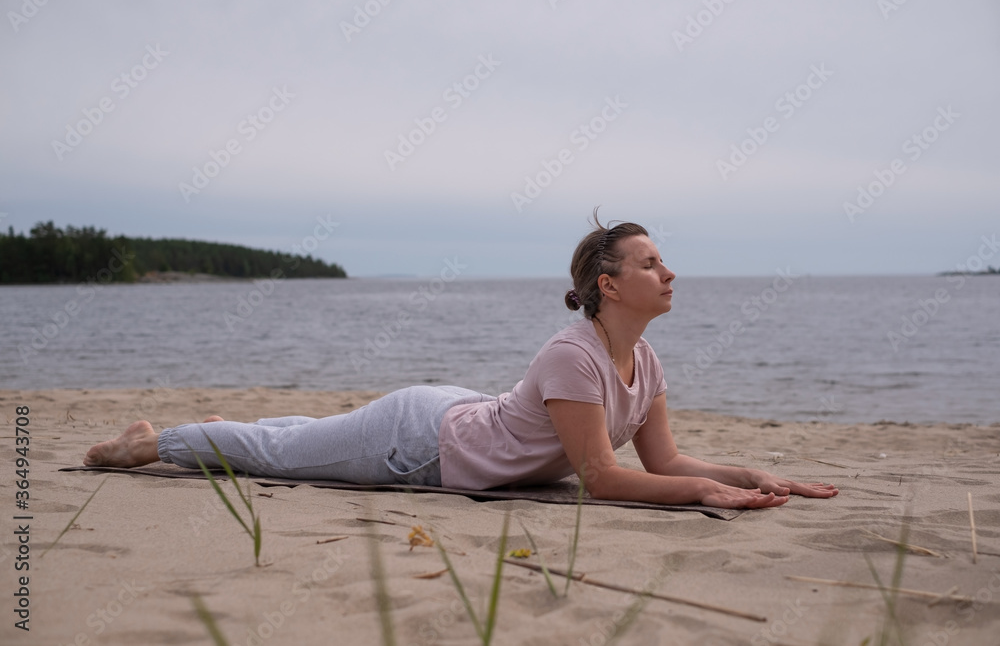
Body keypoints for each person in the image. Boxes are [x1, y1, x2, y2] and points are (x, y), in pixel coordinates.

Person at [85, 213, 838, 509]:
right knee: (285, 452)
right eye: (651, 263)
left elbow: (664, 457)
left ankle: (224, 428)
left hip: (460, 413)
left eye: (664, 260)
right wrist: (709, 494)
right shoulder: (575, 356)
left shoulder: (646, 359)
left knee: (305, 435)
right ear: (609, 285)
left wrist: (749, 473)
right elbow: (601, 477)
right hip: (419, 443)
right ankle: (150, 444)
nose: (669, 273)